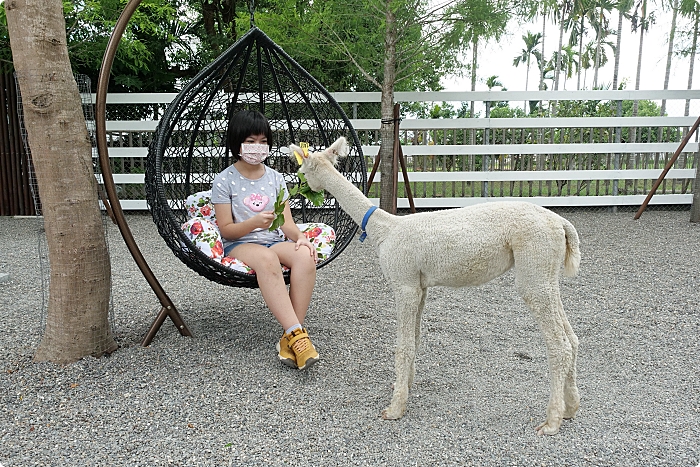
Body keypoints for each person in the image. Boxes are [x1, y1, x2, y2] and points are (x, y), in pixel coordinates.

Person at [211, 110, 319, 370]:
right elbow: (226, 229)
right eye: (250, 141)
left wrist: (302, 238)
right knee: (267, 258)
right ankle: (298, 335)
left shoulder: (275, 178)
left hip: (273, 239)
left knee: (305, 256)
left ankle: (292, 336)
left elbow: (288, 223)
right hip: (241, 244)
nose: (257, 147)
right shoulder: (224, 181)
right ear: (236, 143)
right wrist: (253, 223)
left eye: (263, 141)